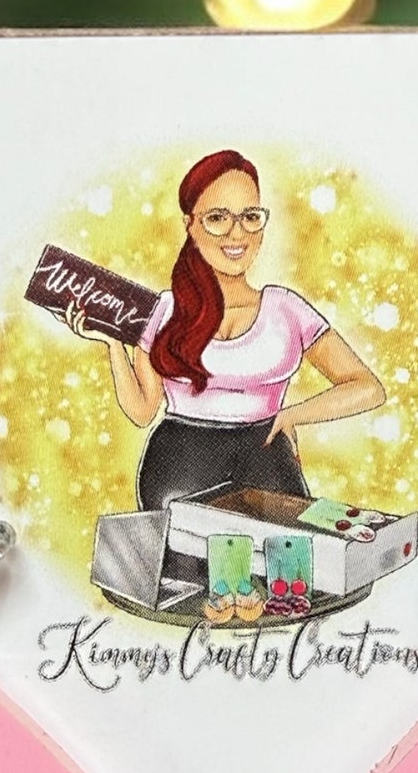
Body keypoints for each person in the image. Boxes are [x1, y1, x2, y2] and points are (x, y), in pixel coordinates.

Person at [67, 149, 385, 511]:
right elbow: (142, 411)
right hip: (180, 467)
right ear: (190, 225)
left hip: (265, 462)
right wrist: (113, 342)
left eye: (250, 217)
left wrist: (290, 415)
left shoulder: (286, 308)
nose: (237, 233)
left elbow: (368, 388)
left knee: (285, 547)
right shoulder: (164, 310)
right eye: (217, 218)